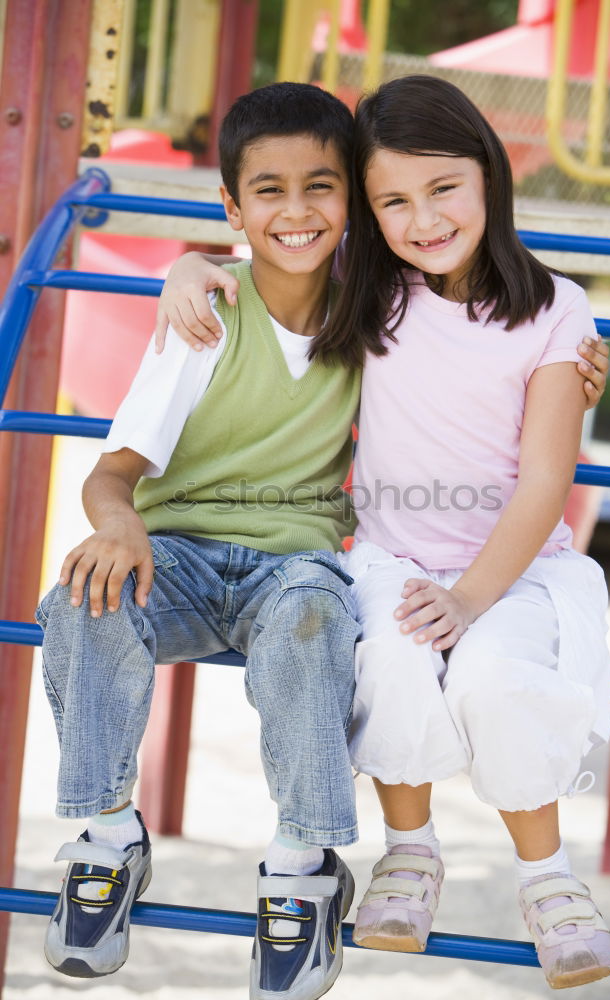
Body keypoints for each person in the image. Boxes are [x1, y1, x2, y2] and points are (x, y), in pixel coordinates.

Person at [156, 76, 610, 991]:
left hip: (513, 568)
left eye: (442, 188)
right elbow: (269, 272)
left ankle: (546, 878)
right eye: (391, 202)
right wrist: (190, 266)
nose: (423, 218)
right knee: (392, 658)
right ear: (367, 216)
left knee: (491, 672)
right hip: (393, 552)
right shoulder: (369, 290)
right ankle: (411, 851)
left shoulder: (555, 310)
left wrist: (470, 599)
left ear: (487, 174)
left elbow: (543, 483)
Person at [36, 82, 363, 1000]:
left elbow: (483, 326)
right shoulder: (206, 316)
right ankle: (108, 841)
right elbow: (111, 474)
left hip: (294, 562)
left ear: (352, 197)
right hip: (175, 552)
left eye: (320, 187)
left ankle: (302, 870)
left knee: (310, 617)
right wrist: (119, 526)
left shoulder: (379, 314)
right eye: (268, 190)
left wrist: (567, 359)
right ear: (232, 207)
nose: (295, 211)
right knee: (79, 600)